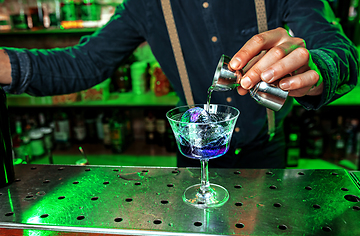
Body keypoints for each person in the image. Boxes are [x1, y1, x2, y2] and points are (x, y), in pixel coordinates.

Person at [0, 0, 358, 168]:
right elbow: (86, 63)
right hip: (193, 155)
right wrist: (6, 66)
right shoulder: (144, 6)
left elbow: (342, 52)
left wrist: (315, 71)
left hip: (264, 151)